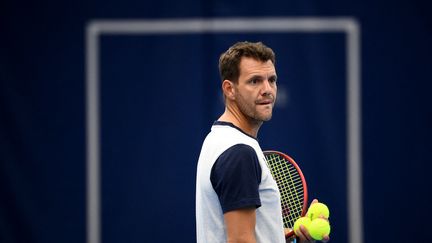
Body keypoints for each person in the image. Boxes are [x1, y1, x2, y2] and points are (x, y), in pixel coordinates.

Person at [195, 41, 329, 243]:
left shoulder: (218, 139)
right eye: (255, 81)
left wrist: (291, 238)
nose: (268, 89)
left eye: (272, 80)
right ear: (229, 89)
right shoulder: (239, 152)